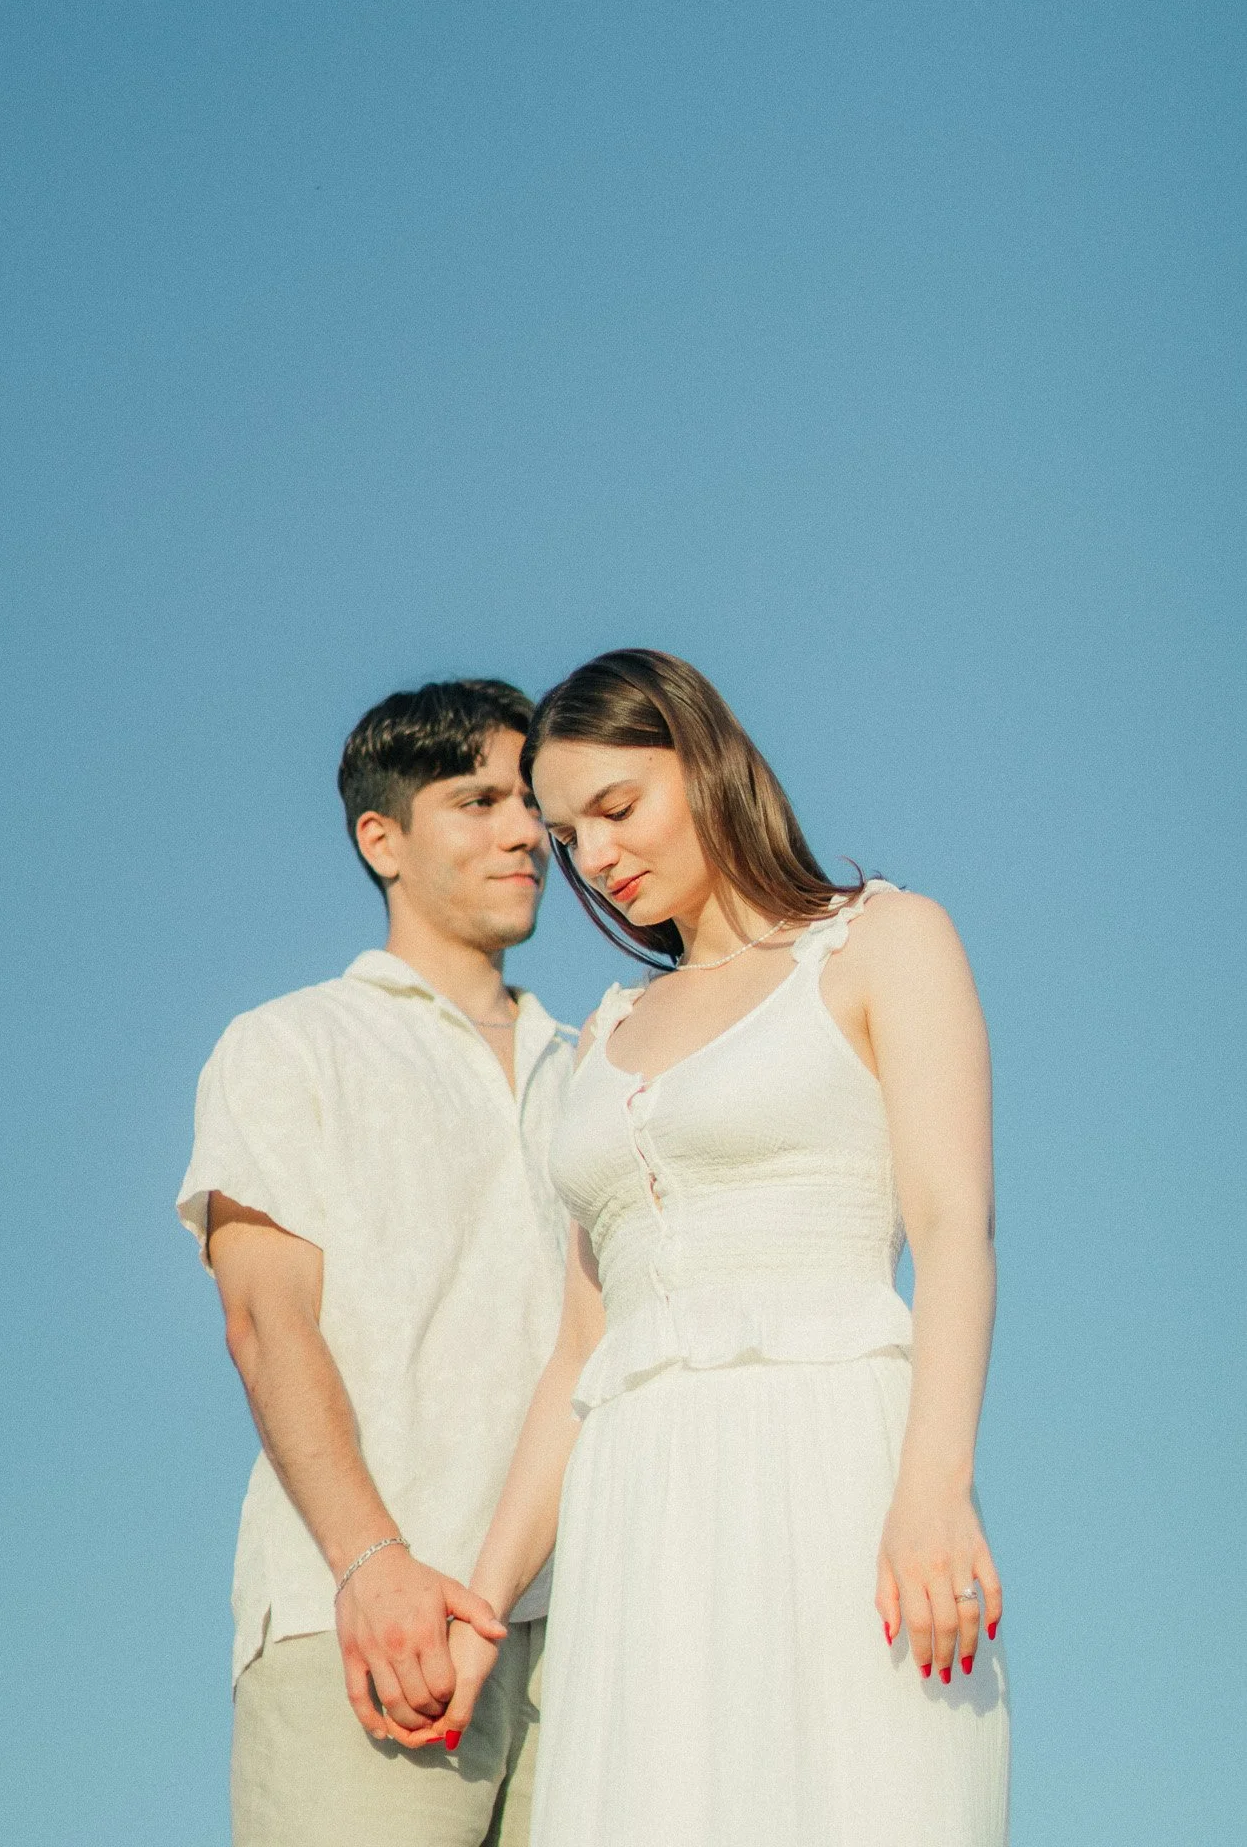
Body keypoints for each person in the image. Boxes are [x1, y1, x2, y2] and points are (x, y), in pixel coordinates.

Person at [419, 649, 1011, 1845]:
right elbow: (579, 1353)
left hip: (835, 1466)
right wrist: (482, 1601)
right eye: (570, 832)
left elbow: (954, 1229)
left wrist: (934, 1490)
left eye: (618, 808)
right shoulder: (610, 1031)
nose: (596, 857)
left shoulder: (884, 940)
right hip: (642, 1511)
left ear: (704, 755)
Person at [176, 679, 577, 1847]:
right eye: (478, 800)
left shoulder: (603, 1062)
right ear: (382, 837)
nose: (524, 832)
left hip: (594, 1632)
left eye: (530, 802)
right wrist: (373, 1563)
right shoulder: (290, 1043)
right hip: (361, 1617)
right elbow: (267, 1320)